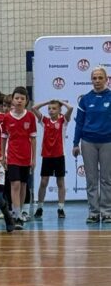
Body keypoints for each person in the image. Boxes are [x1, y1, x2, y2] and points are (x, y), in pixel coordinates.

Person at [72, 67, 111, 224]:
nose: (97, 81)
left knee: (107, 179)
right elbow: (79, 123)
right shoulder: (85, 99)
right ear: (91, 80)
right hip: (88, 142)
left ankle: (107, 212)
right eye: (94, 78)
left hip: (108, 142)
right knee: (91, 179)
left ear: (106, 79)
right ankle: (94, 212)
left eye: (100, 78)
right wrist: (75, 143)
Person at [0, 86, 36, 229]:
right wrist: (3, 156)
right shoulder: (7, 117)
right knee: (15, 184)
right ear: (13, 100)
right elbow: (4, 138)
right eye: (17, 98)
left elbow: (33, 139)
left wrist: (34, 159)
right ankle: (16, 216)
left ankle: (19, 212)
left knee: (23, 186)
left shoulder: (30, 117)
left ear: (26, 101)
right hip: (12, 156)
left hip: (26, 157)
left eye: (22, 98)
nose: (19, 100)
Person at [32, 98, 73, 219]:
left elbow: (70, 108)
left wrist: (61, 102)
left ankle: (61, 208)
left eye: (54, 108)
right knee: (43, 182)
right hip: (47, 156)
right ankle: (39, 208)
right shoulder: (44, 121)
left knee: (60, 182)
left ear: (60, 110)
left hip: (59, 155)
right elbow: (34, 108)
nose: (51, 110)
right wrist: (46, 102)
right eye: (49, 108)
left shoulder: (63, 121)